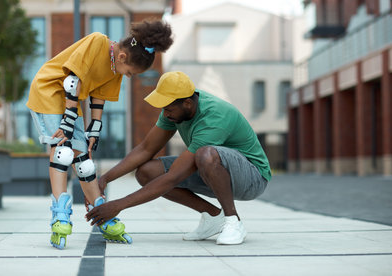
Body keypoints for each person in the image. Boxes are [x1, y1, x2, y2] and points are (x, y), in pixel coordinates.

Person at [26, 19, 173, 249]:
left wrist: (94, 128)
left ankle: (100, 212)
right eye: (130, 72)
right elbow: (72, 82)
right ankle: (60, 215)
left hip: (71, 102)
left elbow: (99, 96)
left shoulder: (116, 66)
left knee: (84, 162)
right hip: (50, 89)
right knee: (63, 151)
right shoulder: (97, 42)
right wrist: (67, 121)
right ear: (123, 57)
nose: (127, 76)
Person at [86, 71, 271, 245]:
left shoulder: (215, 116)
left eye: (168, 109)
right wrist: (105, 179)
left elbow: (173, 177)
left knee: (205, 155)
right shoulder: (177, 110)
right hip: (216, 171)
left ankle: (233, 221)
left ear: (188, 104)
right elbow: (145, 149)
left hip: (252, 178)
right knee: (147, 172)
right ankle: (214, 217)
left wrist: (119, 205)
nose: (165, 114)